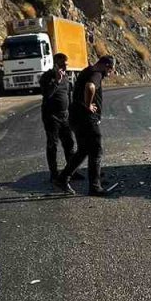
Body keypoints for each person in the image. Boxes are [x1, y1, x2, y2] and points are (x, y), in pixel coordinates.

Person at [56, 55, 119, 196]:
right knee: (96, 151)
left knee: (83, 150)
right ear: (105, 65)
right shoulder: (96, 74)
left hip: (76, 117)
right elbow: (89, 87)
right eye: (110, 70)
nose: (109, 74)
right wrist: (88, 104)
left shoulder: (87, 70)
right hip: (86, 119)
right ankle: (95, 187)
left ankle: (63, 178)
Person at [39, 53, 77, 183]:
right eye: (62, 65)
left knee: (69, 144)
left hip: (65, 116)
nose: (64, 67)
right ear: (55, 64)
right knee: (52, 144)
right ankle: (53, 173)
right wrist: (56, 81)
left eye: (66, 65)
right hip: (51, 116)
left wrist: (72, 114)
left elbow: (68, 96)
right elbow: (47, 94)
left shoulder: (66, 77)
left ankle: (72, 170)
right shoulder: (46, 77)